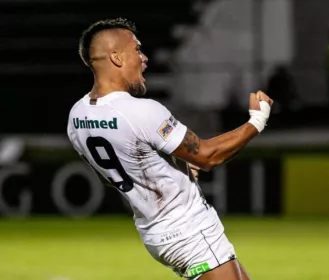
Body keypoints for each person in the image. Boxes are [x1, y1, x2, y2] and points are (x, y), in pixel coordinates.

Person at [67, 18, 273, 280]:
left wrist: (177, 172)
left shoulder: (78, 116)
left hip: (155, 233)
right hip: (189, 230)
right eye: (137, 49)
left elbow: (113, 176)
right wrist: (257, 121)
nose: (144, 58)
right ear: (116, 57)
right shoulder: (141, 111)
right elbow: (208, 155)